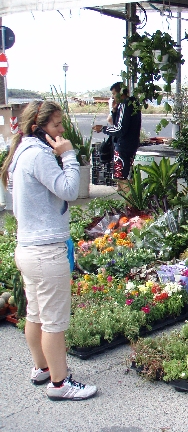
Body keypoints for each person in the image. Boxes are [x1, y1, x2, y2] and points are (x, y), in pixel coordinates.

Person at [0, 100, 97, 400]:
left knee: (36, 315)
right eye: (56, 125)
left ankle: (42, 368)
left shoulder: (20, 154)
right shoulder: (39, 155)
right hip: (46, 251)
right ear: (37, 127)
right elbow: (69, 190)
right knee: (54, 321)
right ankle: (60, 383)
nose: (62, 130)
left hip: (29, 248)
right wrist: (68, 155)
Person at [93, 82, 141, 188]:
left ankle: (130, 203)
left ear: (121, 93)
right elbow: (120, 123)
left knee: (121, 178)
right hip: (132, 144)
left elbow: (120, 129)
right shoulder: (134, 103)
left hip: (123, 146)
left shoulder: (125, 105)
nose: (113, 97)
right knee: (128, 177)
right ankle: (130, 202)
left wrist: (103, 129)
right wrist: (115, 111)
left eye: (114, 94)